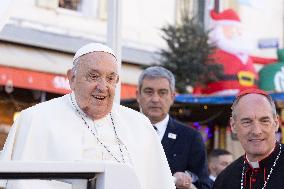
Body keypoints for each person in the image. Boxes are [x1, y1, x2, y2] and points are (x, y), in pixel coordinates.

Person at [0, 43, 175, 189]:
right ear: (72, 78)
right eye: (94, 76)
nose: (102, 86)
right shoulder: (35, 120)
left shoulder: (139, 125)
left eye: (110, 78)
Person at [136, 66, 211, 189]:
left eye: (162, 92)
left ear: (172, 97)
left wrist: (187, 184)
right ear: (138, 95)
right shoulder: (122, 131)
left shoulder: (190, 138)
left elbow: (204, 185)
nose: (155, 99)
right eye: (149, 91)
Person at [213, 88, 284, 189]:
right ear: (233, 125)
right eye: (247, 122)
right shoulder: (224, 180)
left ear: (276, 123)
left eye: (264, 121)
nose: (256, 131)